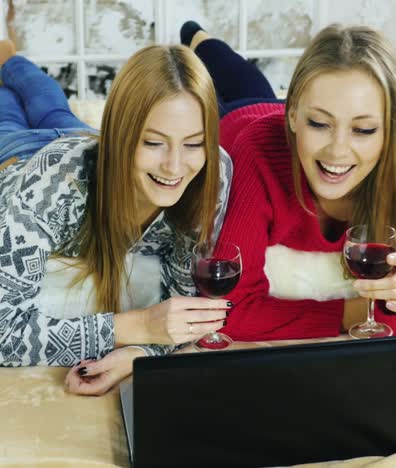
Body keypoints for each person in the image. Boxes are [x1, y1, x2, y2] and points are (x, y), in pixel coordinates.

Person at [181, 22, 396, 342]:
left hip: (284, 120)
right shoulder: (256, 151)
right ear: (293, 113)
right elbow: (229, 309)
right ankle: (198, 39)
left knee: (251, 84)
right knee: (228, 81)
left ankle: (201, 40)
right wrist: (351, 312)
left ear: (391, 130)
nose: (337, 150)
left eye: (364, 130)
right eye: (320, 123)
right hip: (238, 123)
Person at [0, 40, 233, 392]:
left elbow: (183, 309)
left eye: (193, 143)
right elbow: (4, 332)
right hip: (20, 158)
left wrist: (139, 352)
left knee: (50, 104)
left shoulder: (212, 173)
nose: (174, 166)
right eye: (153, 142)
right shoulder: (52, 184)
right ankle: (6, 54)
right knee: (8, 106)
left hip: (83, 139)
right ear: (123, 138)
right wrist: (136, 326)